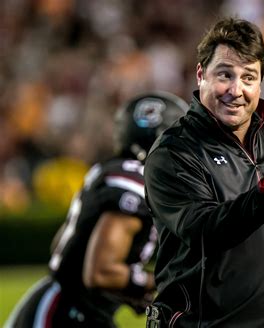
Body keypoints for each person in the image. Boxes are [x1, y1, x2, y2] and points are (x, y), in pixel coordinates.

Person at [144, 17, 264, 327]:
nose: (236, 90)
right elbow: (202, 229)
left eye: (249, 77)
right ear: (201, 75)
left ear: (260, 83)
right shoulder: (174, 152)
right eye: (225, 75)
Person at [5, 91, 188, 328]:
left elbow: (65, 247)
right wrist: (162, 283)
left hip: (69, 305)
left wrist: (127, 291)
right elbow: (100, 272)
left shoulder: (115, 169)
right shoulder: (135, 183)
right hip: (66, 313)